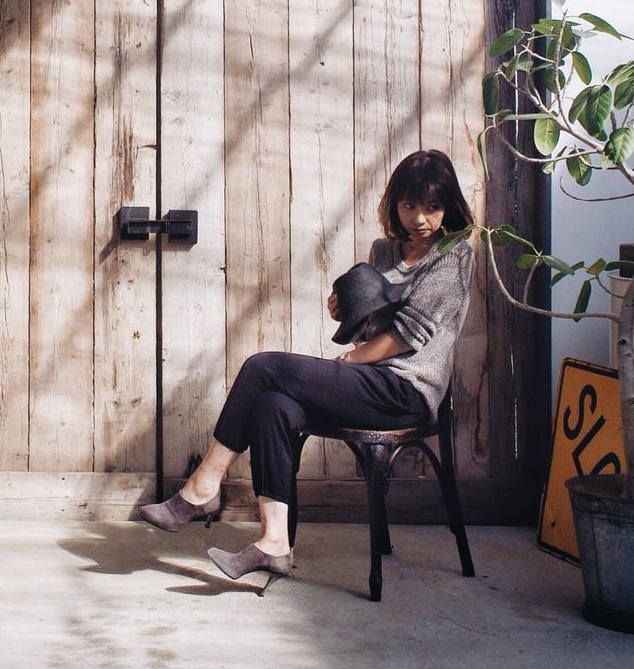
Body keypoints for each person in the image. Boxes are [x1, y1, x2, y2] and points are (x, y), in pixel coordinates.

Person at [140, 149, 475, 582]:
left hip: (405, 393)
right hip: (369, 381)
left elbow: (406, 337)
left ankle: (201, 488)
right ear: (395, 204)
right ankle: (274, 543)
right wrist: (349, 314)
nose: (420, 219)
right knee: (273, 406)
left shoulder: (454, 255)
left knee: (263, 367)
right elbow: (372, 330)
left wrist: (349, 359)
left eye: (432, 206)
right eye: (409, 205)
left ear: (448, 206)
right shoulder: (383, 251)